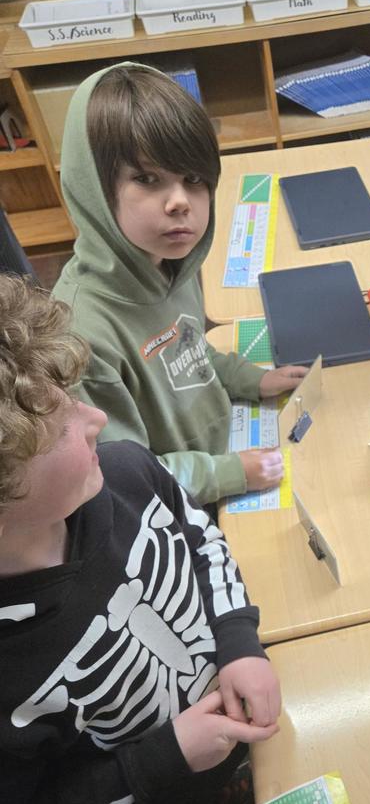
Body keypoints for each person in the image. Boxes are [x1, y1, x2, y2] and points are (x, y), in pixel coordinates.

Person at [0, 275, 279, 804]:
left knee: (256, 795)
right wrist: (162, 758)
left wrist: (238, 640)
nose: (94, 418)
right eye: (60, 421)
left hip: (235, 722)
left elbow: (201, 537)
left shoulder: (125, 470)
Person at [53, 63, 307, 507]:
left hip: (217, 456)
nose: (179, 203)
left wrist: (247, 379)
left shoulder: (170, 262)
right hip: (178, 505)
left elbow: (189, 350)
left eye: (194, 180)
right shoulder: (82, 336)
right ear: (93, 188)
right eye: (147, 180)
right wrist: (228, 473)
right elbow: (120, 476)